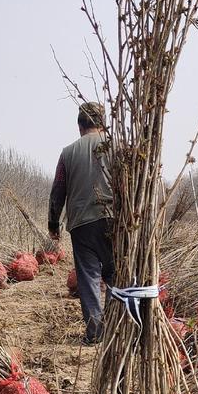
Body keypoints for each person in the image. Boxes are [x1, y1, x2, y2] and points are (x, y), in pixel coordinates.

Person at [48, 102, 114, 345]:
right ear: (103, 123)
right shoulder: (117, 147)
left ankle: (95, 333)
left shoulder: (67, 153)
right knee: (115, 274)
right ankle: (116, 329)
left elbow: (58, 191)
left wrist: (53, 225)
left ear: (79, 126)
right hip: (115, 221)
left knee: (88, 279)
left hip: (81, 225)